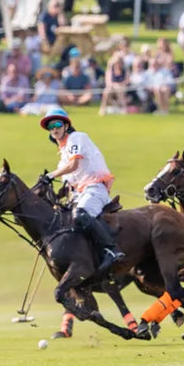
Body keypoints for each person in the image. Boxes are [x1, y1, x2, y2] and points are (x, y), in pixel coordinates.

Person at [39, 107, 124, 275]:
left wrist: (51, 175)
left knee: (81, 214)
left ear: (66, 125)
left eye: (57, 124)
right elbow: (66, 185)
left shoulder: (76, 138)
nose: (54, 129)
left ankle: (111, 250)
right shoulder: (63, 155)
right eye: (51, 126)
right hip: (79, 193)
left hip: (95, 187)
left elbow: (74, 165)